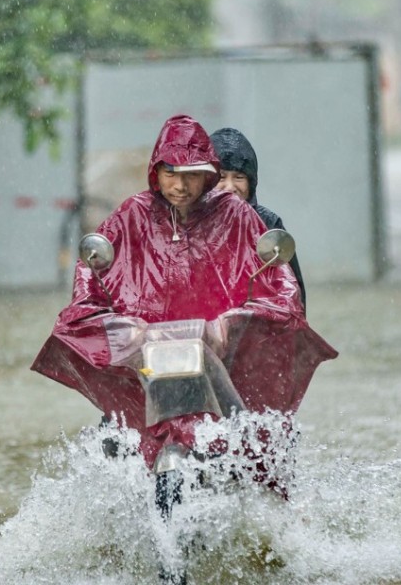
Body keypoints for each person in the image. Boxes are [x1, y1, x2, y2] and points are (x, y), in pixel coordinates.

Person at [31, 114, 336, 469]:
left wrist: (235, 325)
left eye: (193, 174)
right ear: (156, 173)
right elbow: (95, 271)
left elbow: (285, 294)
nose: (181, 186)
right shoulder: (133, 214)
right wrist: (112, 320)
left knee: (259, 444)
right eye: (171, 173)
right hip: (154, 353)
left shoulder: (243, 218)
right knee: (115, 438)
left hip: (222, 350)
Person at [209, 127, 307, 311]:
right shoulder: (189, 223)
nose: (229, 186)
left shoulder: (268, 225)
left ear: (251, 181)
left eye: (239, 177)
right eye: (221, 177)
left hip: (256, 326)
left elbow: (293, 293)